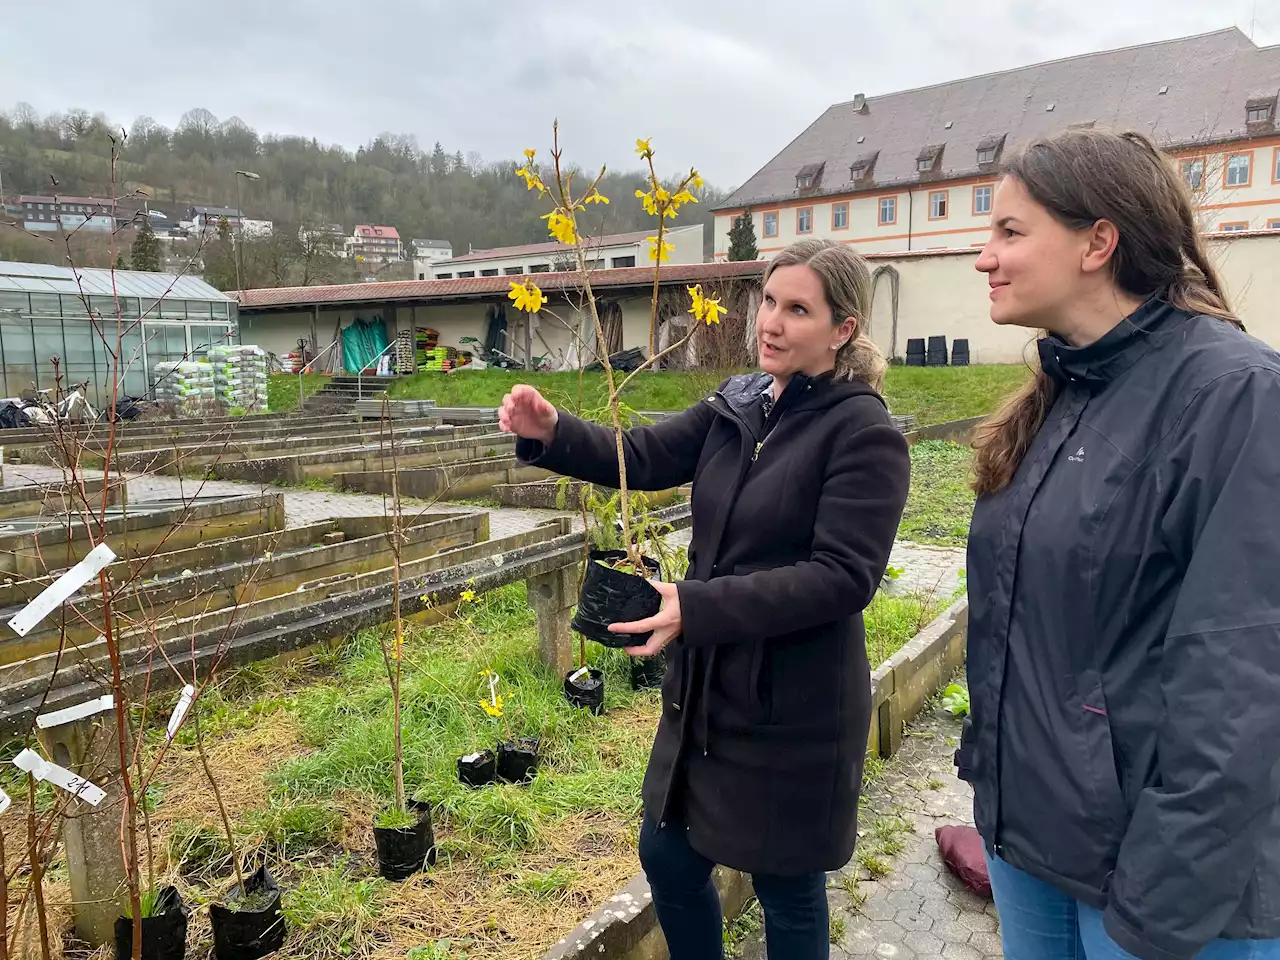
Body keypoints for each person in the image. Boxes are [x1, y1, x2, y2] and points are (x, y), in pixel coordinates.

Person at [499, 238, 910, 959]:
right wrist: (554, 433)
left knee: (785, 887)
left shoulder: (862, 432)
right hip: (709, 691)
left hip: (792, 702)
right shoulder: (740, 404)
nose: (771, 323)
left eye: (798, 310)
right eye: (769, 302)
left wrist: (698, 606)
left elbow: (844, 577)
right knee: (669, 856)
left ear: (842, 329)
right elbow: (648, 456)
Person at [960, 128, 1280, 960]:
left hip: (1164, 886)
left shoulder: (1234, 394)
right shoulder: (1062, 390)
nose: (983, 256)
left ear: (1098, 241)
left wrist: (1163, 908)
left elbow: (1242, 676)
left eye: (1010, 232)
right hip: (1034, 843)